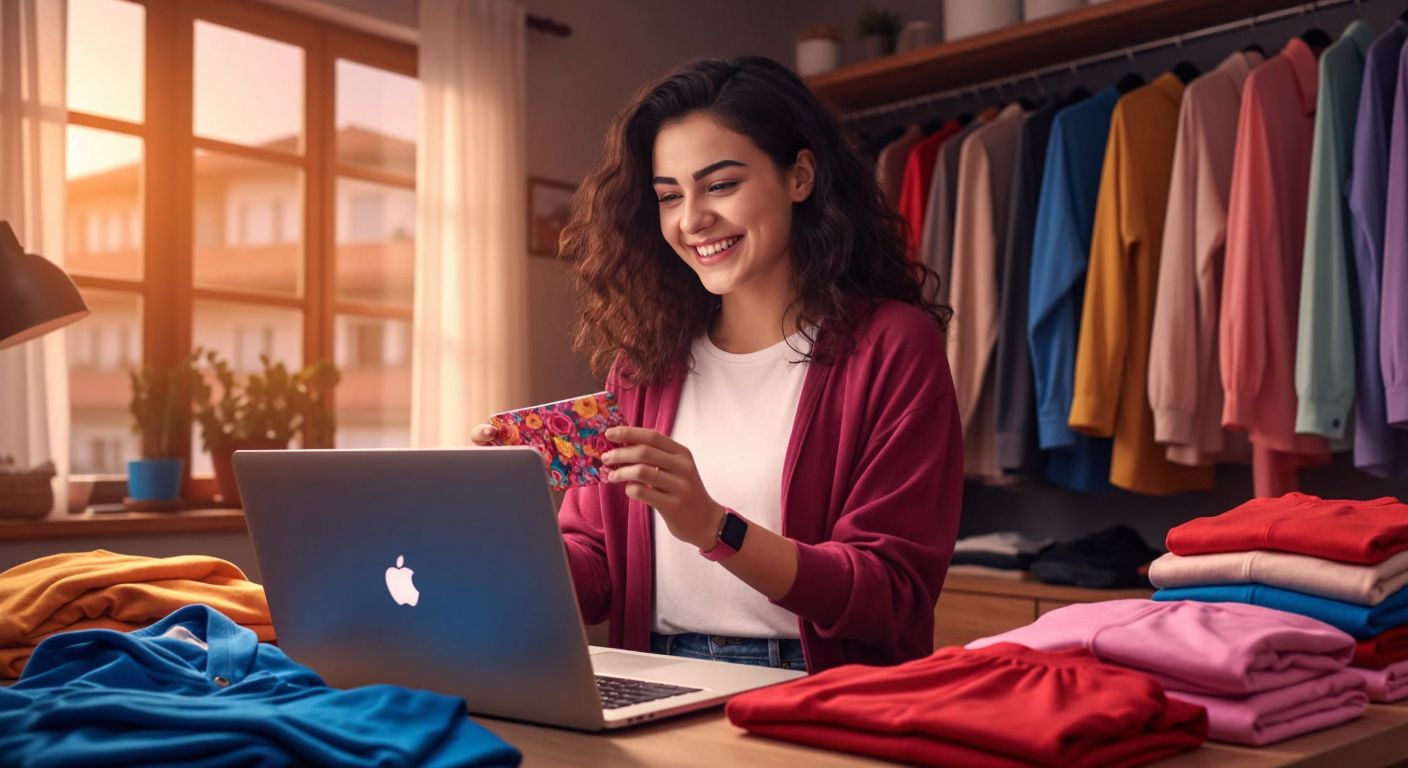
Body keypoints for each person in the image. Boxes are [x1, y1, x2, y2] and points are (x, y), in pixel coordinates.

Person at [472, 56, 962, 674]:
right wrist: (501, 528)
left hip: (816, 688)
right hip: (656, 675)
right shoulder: (646, 363)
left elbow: (891, 595)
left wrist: (712, 526)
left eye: (721, 184)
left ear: (800, 176)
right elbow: (595, 573)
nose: (691, 219)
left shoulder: (892, 346)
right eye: (669, 195)